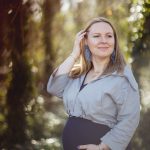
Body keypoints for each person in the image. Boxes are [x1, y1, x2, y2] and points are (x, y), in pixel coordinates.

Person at [47, 17, 140, 150]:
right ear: (85, 41)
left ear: (114, 41)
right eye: (96, 36)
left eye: (109, 36)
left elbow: (130, 119)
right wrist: (74, 53)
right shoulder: (78, 74)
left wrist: (103, 147)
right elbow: (54, 88)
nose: (104, 41)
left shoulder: (122, 77)